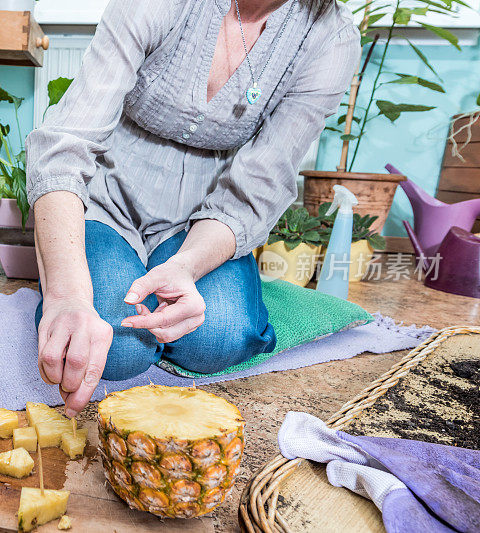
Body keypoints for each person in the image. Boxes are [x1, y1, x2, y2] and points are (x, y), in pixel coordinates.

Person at [25, 0, 360, 417]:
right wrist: (67, 294)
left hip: (206, 218)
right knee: (116, 350)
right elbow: (64, 145)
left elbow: (261, 183)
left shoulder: (330, 38)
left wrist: (187, 266)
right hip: (104, 195)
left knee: (219, 339)